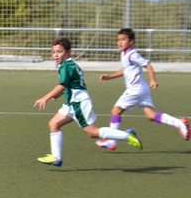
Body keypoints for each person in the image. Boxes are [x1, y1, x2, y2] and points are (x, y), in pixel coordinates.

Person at [35, 37, 143, 167]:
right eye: (53, 52)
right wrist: (58, 95)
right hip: (72, 103)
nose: (56, 55)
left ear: (68, 52)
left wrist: (45, 97)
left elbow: (63, 85)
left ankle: (126, 135)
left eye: (59, 52)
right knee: (53, 124)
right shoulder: (69, 65)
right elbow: (72, 85)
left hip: (78, 103)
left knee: (92, 132)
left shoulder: (66, 66)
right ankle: (56, 157)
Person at [95, 28, 189, 150]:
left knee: (115, 111)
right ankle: (179, 123)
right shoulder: (125, 54)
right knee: (151, 115)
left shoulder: (132, 54)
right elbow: (125, 69)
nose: (120, 42)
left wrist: (153, 80)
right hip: (142, 89)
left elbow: (148, 65)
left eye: (123, 40)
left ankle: (112, 141)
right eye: (118, 40)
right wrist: (110, 76)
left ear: (132, 42)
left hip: (135, 90)